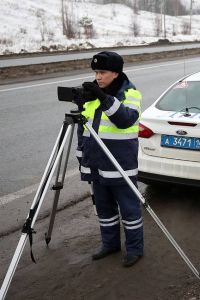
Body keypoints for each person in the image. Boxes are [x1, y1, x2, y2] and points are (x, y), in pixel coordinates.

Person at [76, 51, 143, 267]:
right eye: (96, 72)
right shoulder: (94, 96)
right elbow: (83, 131)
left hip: (120, 165)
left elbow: (125, 119)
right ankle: (110, 244)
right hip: (97, 164)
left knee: (130, 211)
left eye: (102, 72)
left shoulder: (130, 94)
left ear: (115, 73)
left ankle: (134, 249)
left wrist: (104, 98)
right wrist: (82, 159)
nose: (98, 77)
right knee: (104, 210)